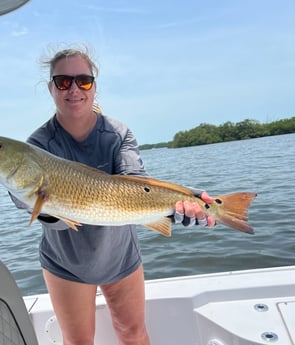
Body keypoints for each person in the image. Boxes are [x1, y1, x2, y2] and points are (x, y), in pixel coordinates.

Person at [25, 47, 216, 345]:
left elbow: (134, 183)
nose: (74, 89)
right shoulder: (37, 146)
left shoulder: (117, 133)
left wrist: (180, 201)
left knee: (133, 334)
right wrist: (45, 203)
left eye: (83, 81)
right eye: (63, 81)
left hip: (120, 253)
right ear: (51, 88)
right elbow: (40, 212)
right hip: (66, 261)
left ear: (94, 86)